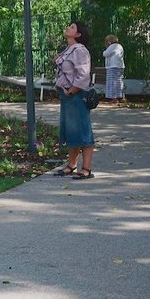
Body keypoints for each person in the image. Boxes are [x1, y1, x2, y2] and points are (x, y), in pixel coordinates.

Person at [53, 20, 96, 180]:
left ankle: (86, 169)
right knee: (72, 131)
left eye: (72, 27)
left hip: (76, 96)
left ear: (78, 34)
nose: (68, 28)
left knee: (83, 131)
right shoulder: (68, 50)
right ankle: (71, 165)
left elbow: (83, 75)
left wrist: (71, 91)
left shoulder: (80, 50)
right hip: (66, 97)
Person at [103, 34, 125, 103]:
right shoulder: (120, 46)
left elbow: (105, 54)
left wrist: (104, 51)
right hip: (120, 66)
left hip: (112, 66)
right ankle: (120, 96)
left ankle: (113, 98)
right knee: (119, 82)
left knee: (111, 82)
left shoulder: (112, 46)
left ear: (109, 42)